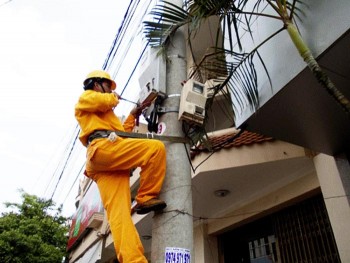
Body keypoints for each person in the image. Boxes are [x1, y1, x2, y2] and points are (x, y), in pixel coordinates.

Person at [74, 69, 167, 263]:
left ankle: (134, 260)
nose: (110, 90)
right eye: (108, 85)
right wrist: (113, 98)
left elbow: (121, 133)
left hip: (107, 159)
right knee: (155, 148)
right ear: (96, 83)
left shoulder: (106, 115)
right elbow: (103, 102)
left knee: (120, 216)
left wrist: (134, 114)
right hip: (102, 150)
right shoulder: (87, 98)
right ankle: (146, 197)